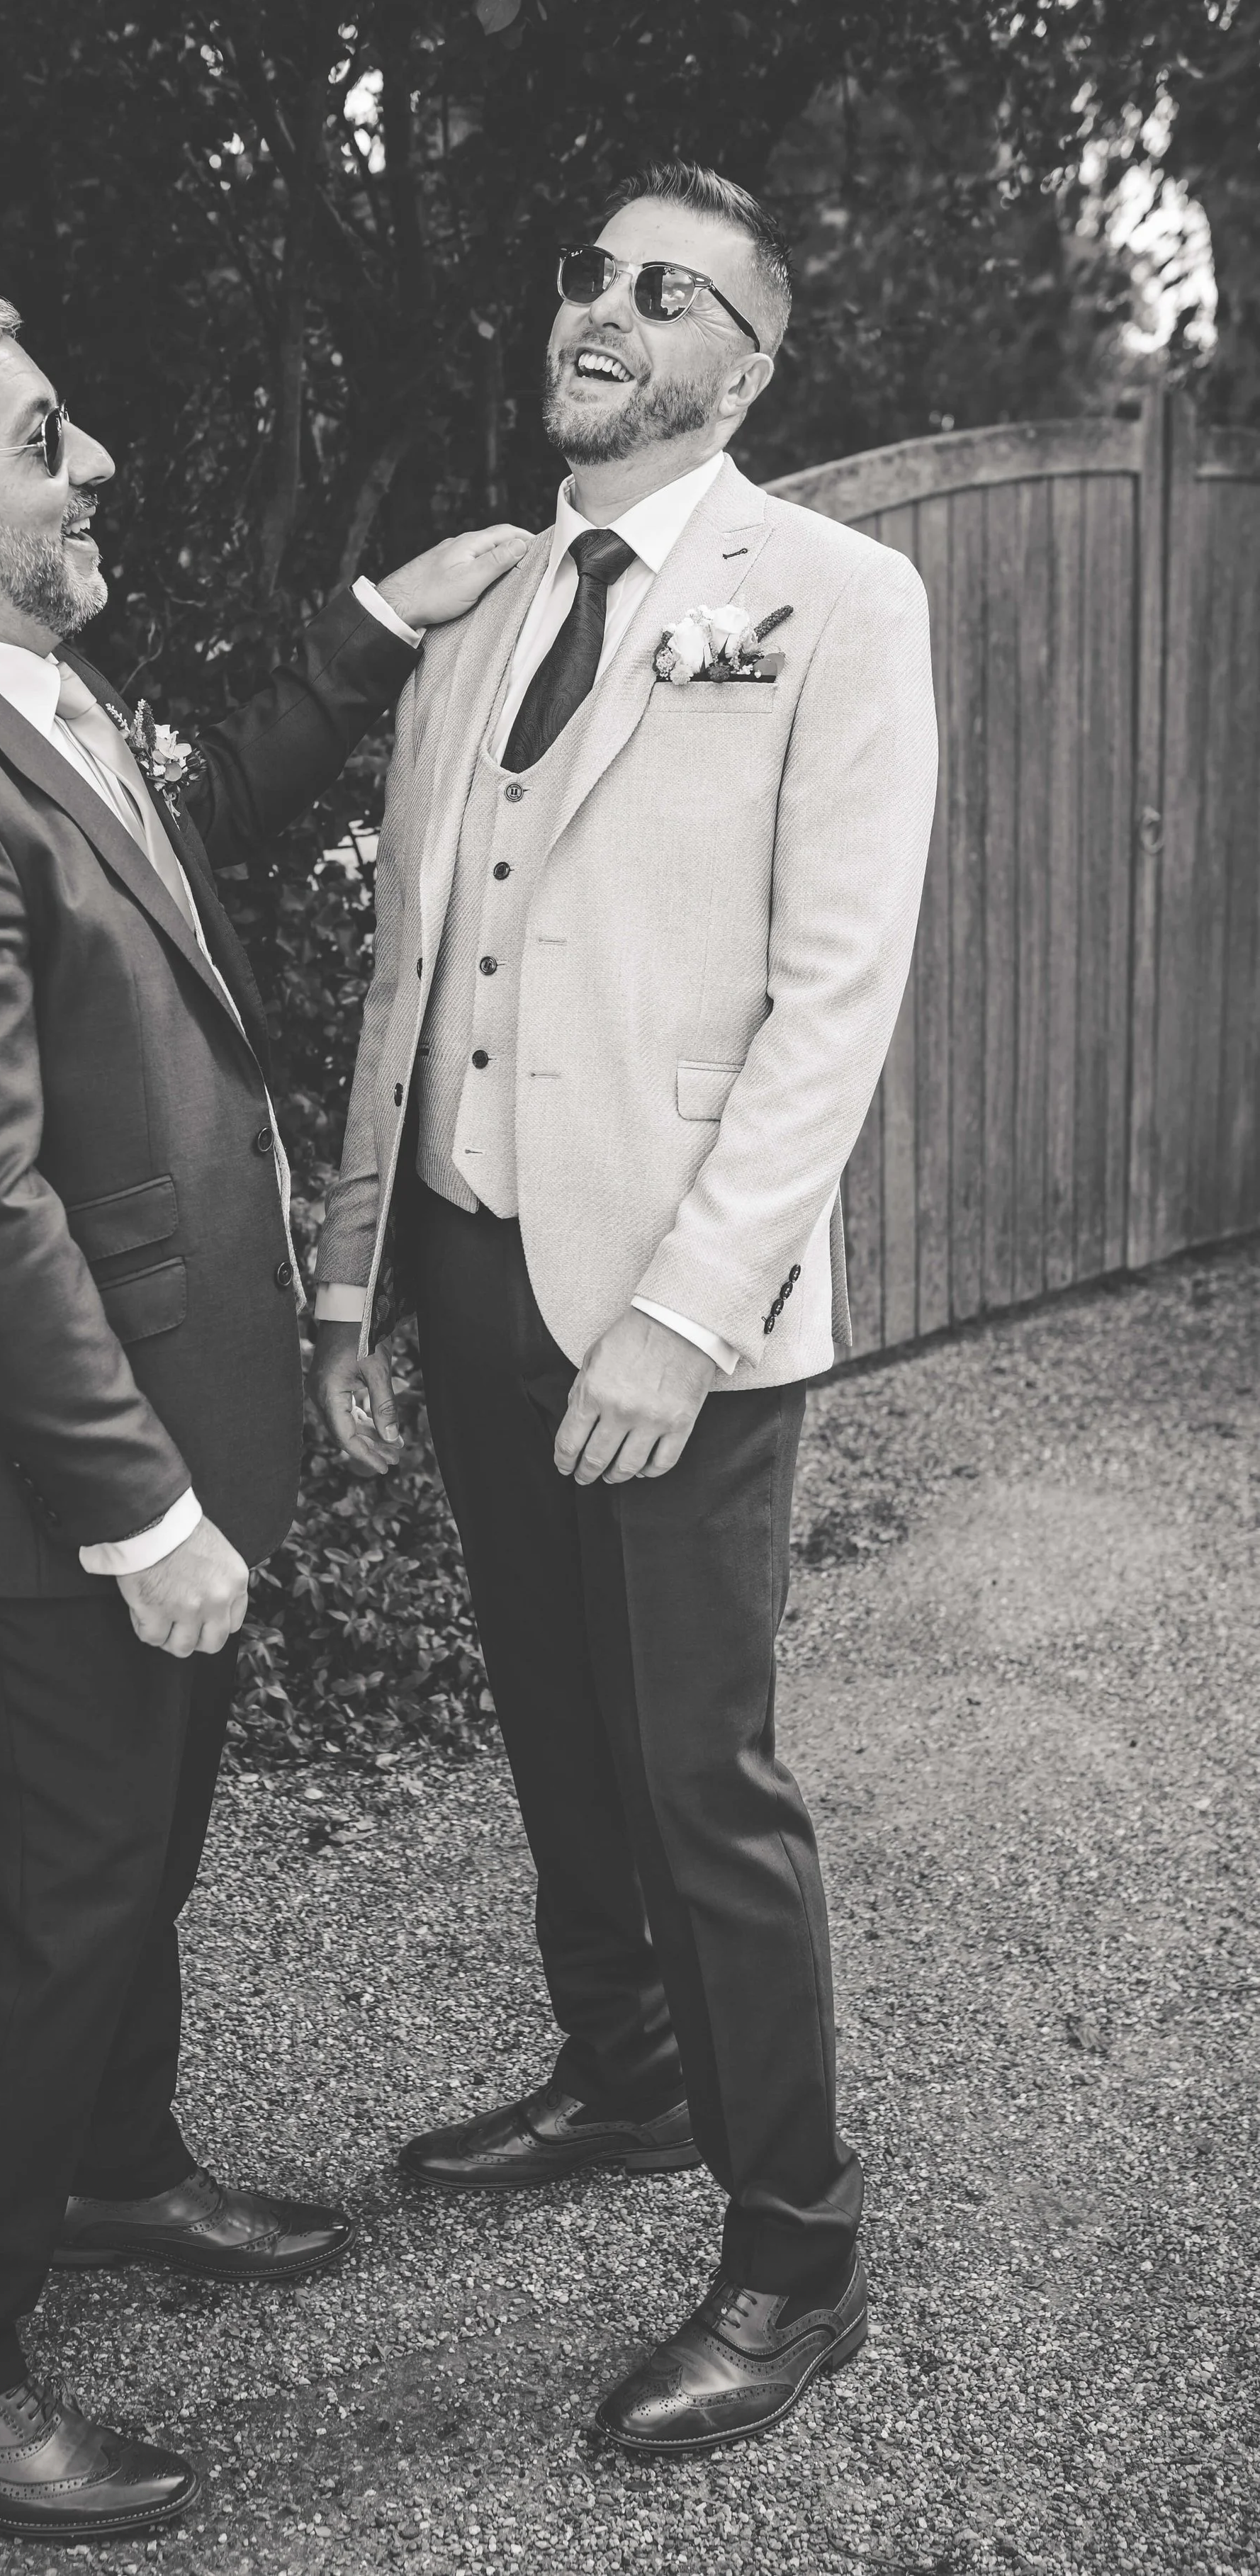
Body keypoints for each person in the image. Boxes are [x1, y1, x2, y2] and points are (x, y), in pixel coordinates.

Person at [0, 285, 527, 2543]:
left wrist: (383, 619)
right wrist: (137, 1507)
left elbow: (195, 824)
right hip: (35, 1487)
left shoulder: (31, 695)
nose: (86, 464)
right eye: (40, 435)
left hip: (165, 1435)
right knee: (60, 1897)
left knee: (131, 1859)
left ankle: (113, 2169)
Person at [311, 162, 938, 2457]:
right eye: (585, 268)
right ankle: (620, 2073)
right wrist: (357, 1269)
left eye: (663, 287)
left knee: (700, 1779)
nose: (601, 303)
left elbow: (830, 995)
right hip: (473, 1257)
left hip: (676, 1297)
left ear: (745, 363)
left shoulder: (837, 599)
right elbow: (414, 956)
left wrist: (681, 1318)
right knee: (555, 1724)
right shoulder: (487, 599)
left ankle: (795, 2245)